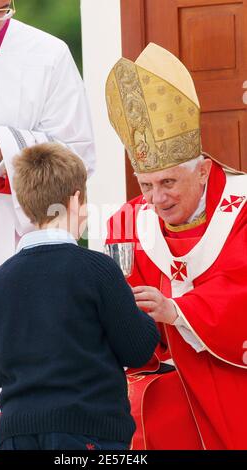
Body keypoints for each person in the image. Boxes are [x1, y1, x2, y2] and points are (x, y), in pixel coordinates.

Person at [0, 0, 95, 450]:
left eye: (2, 11)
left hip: (12, 248)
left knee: (14, 397)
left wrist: (8, 144)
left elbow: (79, 154)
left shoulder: (47, 54)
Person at [0, 142, 160, 451]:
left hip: (16, 433)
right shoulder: (97, 269)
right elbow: (138, 349)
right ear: (75, 201)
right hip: (87, 429)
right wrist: (138, 311)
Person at [105, 43, 247, 450]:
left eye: (168, 183)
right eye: (145, 185)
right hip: (167, 382)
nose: (156, 199)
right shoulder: (127, 222)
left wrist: (178, 310)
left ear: (202, 171)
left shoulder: (242, 210)